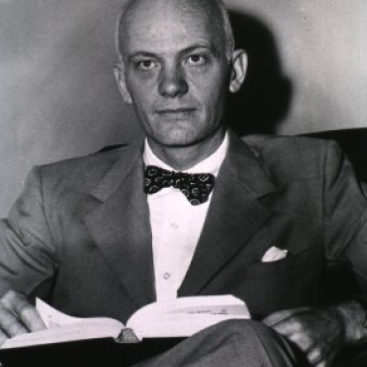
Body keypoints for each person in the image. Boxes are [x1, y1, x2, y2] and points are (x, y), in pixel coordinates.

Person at [0, 0, 366, 366]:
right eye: (146, 64)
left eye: (194, 59)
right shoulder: (54, 193)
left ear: (235, 71)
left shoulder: (314, 172)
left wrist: (345, 321)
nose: (171, 85)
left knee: (248, 343)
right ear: (123, 83)